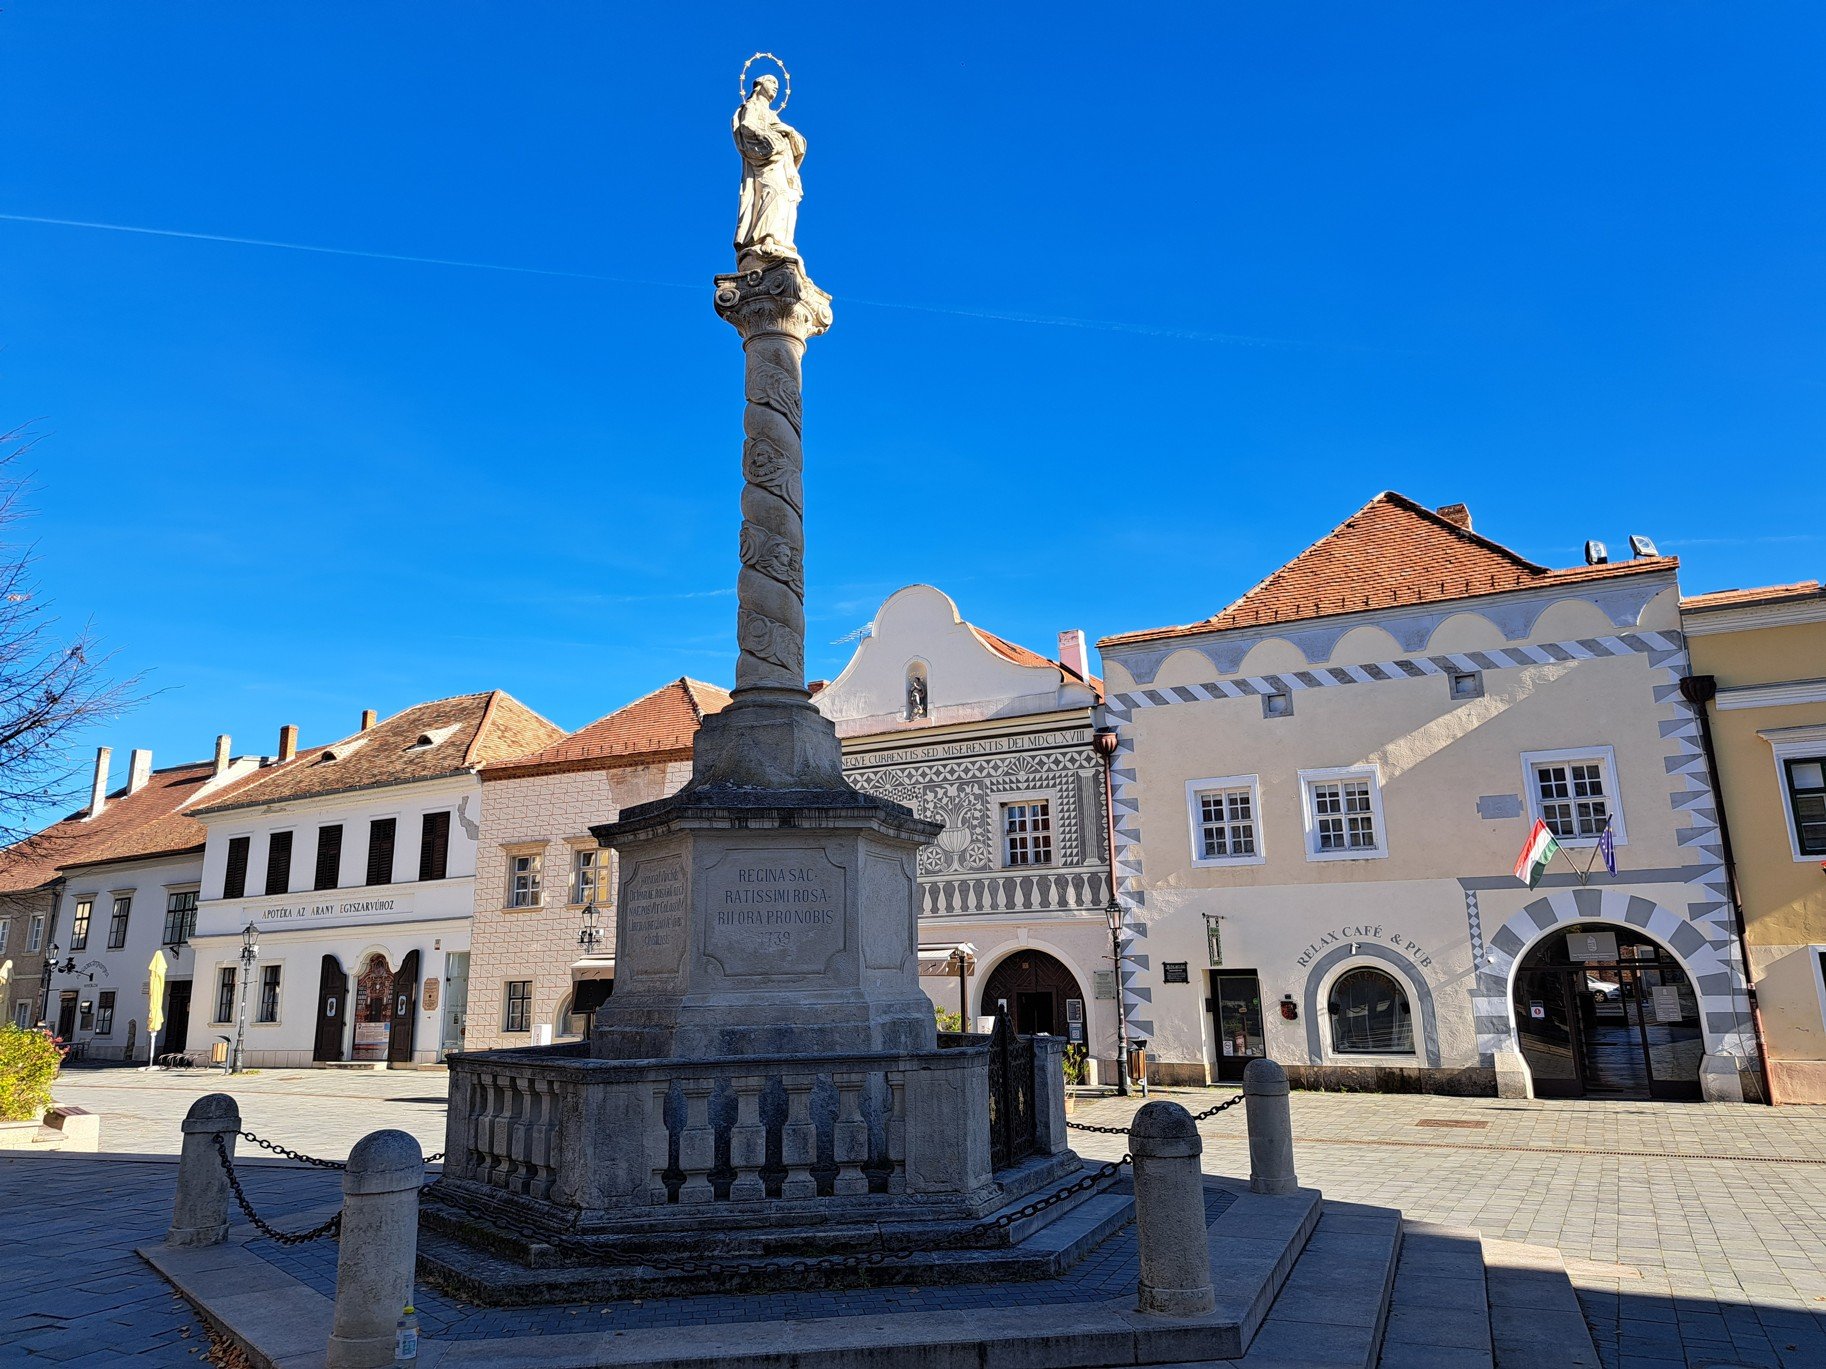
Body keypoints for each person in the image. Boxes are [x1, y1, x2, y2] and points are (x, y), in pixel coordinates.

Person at [732, 74, 805, 266]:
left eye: (778, 84)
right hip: (766, 163)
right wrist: (769, 138)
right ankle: (766, 238)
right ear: (759, 84)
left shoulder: (773, 115)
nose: (775, 87)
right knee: (773, 192)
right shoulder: (752, 106)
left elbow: (798, 145)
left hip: (783, 164)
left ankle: (780, 240)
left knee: (786, 196)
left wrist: (789, 132)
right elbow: (747, 127)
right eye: (772, 82)